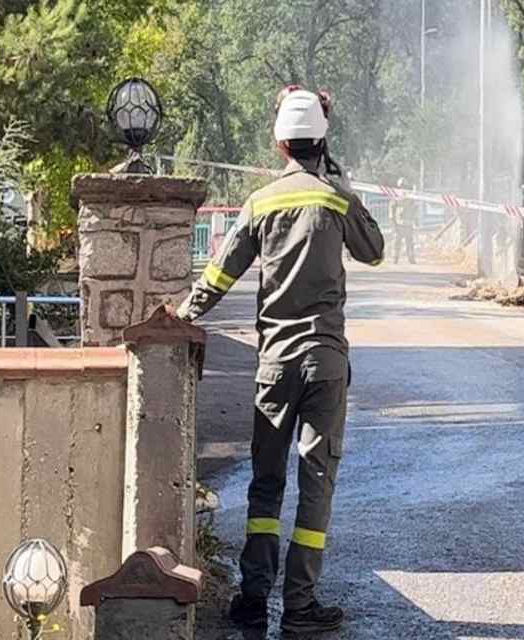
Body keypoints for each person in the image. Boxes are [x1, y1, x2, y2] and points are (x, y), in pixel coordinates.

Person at [175, 87, 385, 634]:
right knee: (316, 480)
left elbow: (220, 273)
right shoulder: (335, 198)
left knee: (265, 483)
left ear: (279, 145)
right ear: (321, 139)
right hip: (325, 362)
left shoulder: (261, 202)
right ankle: (300, 604)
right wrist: (342, 185)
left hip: (274, 362)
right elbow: (374, 250)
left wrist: (182, 315)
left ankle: (251, 596)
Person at [388, 198, 417, 264]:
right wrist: (393, 224)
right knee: (397, 242)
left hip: (408, 225)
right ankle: (395, 258)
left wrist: (415, 221)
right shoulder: (395, 199)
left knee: (409, 242)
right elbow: (392, 213)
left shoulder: (411, 199)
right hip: (399, 225)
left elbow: (414, 210)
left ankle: (411, 258)